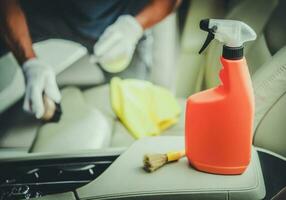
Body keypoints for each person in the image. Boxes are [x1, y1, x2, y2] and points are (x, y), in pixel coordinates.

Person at [0, 0, 180, 119]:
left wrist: (135, 26)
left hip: (121, 20)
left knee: (134, 101)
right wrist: (29, 61)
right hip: (47, 11)